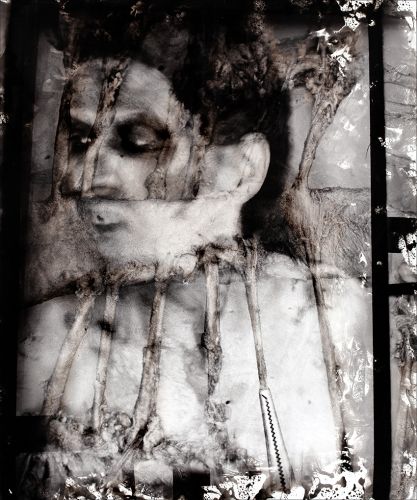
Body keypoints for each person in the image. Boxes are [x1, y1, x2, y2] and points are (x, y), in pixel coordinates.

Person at [17, 2, 373, 498]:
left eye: (137, 142)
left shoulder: (333, 324)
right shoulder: (45, 344)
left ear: (242, 168)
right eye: (79, 140)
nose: (80, 178)